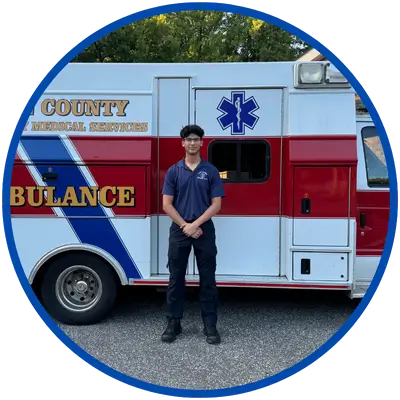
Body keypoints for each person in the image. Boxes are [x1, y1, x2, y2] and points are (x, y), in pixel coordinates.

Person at [161, 124, 225, 345]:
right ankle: (173, 322)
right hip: (179, 230)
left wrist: (195, 224)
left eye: (196, 139)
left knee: (208, 279)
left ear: (201, 142)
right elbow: (166, 204)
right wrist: (185, 226)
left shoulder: (211, 171)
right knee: (175, 278)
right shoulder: (173, 171)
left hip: (203, 229)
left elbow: (216, 204)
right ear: (182, 143)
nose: (192, 143)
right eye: (188, 139)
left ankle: (210, 324)